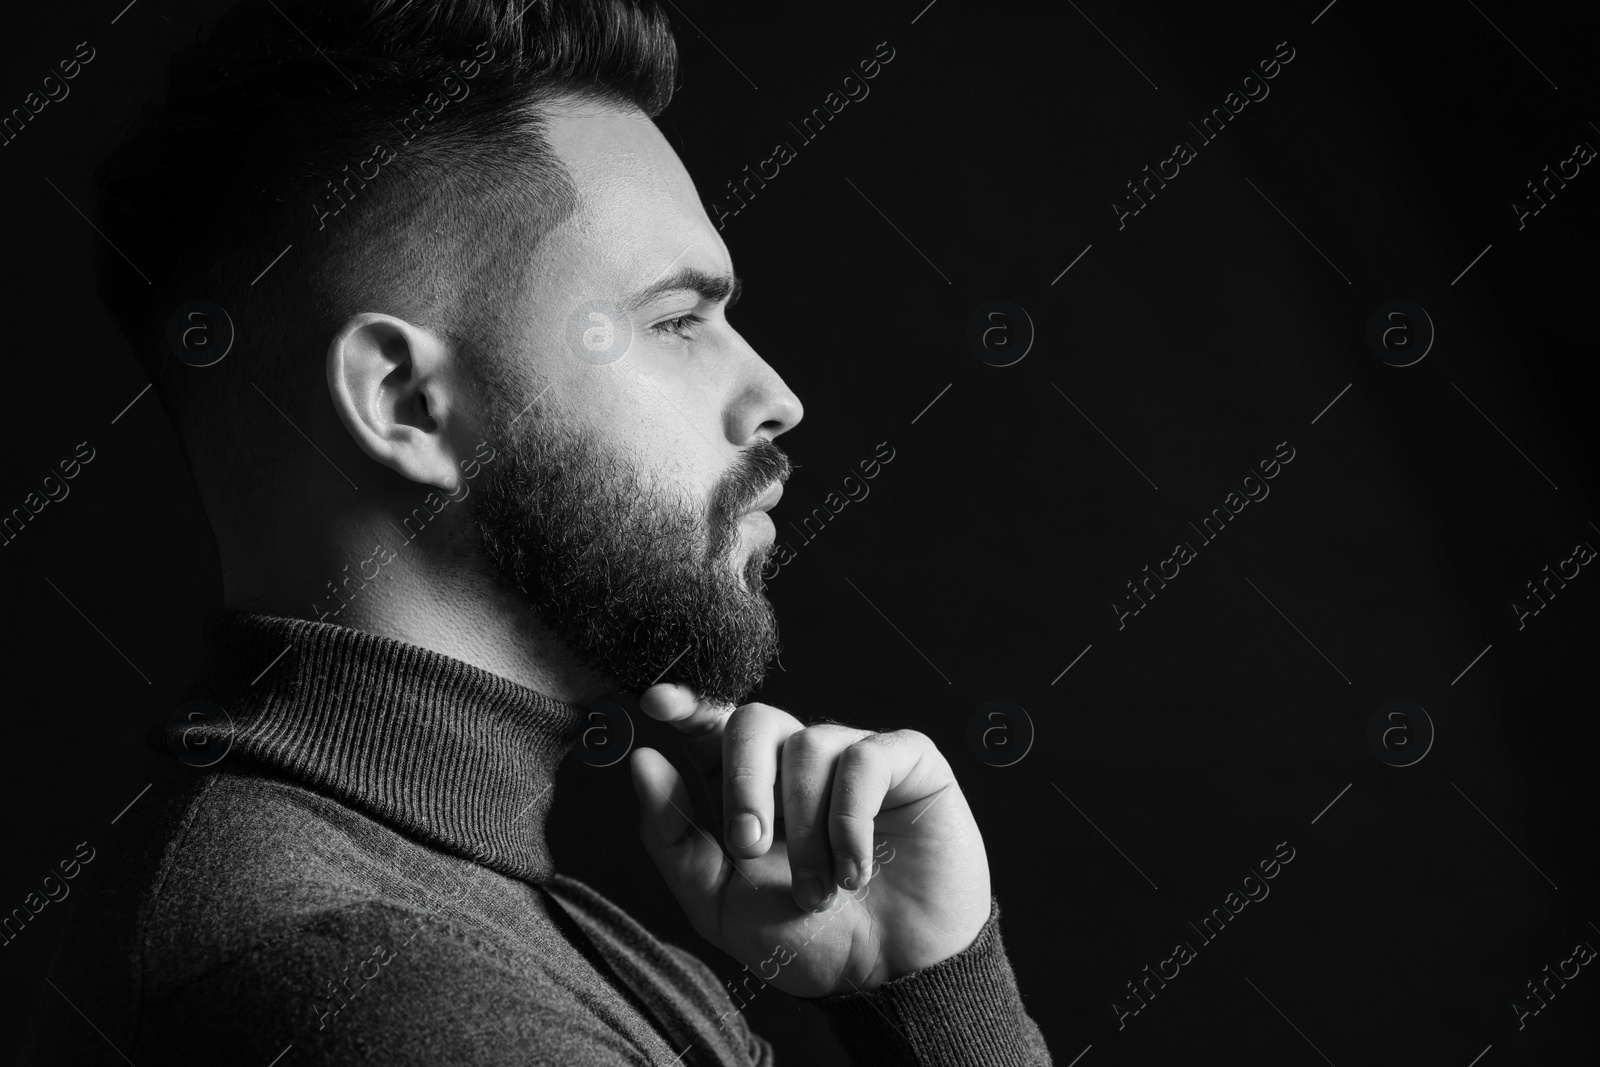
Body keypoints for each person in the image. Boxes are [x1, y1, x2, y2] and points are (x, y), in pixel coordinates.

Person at [20, 1, 1052, 1062]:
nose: (774, 395)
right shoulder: (368, 983)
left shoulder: (436, 904)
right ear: (408, 403)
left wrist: (922, 985)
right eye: (676, 320)